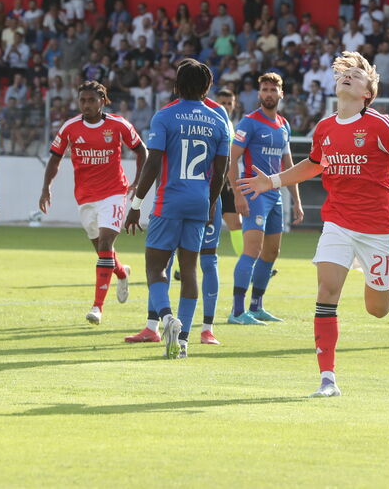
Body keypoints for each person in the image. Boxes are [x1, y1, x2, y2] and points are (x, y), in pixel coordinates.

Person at [238, 51, 389, 398]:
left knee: (379, 308)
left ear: (367, 94)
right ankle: (327, 379)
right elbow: (314, 165)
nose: (348, 77)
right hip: (338, 222)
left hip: (377, 228)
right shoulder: (325, 128)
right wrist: (273, 182)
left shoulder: (380, 124)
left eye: (357, 76)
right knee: (327, 293)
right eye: (345, 74)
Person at [124, 59, 229, 360]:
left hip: (169, 201)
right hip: (199, 203)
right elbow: (221, 173)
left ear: (177, 86)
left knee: (156, 267)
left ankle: (167, 318)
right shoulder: (218, 120)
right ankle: (182, 341)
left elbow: (153, 162)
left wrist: (136, 205)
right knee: (190, 269)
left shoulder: (165, 116)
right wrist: (209, 205)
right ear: (208, 87)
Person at [39, 81, 146, 325]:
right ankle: (122, 272)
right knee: (102, 251)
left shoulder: (118, 125)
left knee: (107, 242)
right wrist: (46, 188)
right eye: (82, 101)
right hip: (86, 196)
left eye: (91, 100)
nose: (86, 105)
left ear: (102, 101)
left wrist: (138, 181)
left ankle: (97, 307)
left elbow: (142, 151)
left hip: (114, 192)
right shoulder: (70, 128)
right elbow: (55, 159)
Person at [227, 72, 302, 325]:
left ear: (282, 93)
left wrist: (297, 200)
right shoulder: (249, 122)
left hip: (275, 195)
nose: (268, 94)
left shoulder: (284, 124)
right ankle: (237, 312)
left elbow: (288, 163)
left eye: (273, 90)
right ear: (259, 94)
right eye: (265, 90)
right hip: (253, 193)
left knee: (272, 252)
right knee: (252, 250)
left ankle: (256, 306)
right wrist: (238, 194)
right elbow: (232, 160)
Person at [215, 88, 243, 256]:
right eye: (222, 103)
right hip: (211, 183)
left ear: (234, 105)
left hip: (226, 183)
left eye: (229, 103)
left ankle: (248, 269)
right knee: (203, 227)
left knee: (236, 225)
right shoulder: (212, 123)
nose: (226, 106)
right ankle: (183, 270)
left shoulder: (231, 125)